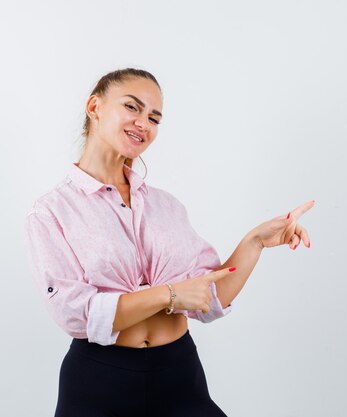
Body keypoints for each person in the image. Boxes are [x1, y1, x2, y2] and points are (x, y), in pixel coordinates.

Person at [24, 68, 314, 417]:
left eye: (154, 117)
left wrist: (255, 241)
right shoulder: (52, 211)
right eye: (132, 107)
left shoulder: (165, 205)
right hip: (99, 382)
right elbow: (74, 315)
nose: (143, 123)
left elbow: (210, 295)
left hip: (179, 376)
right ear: (94, 106)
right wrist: (169, 294)